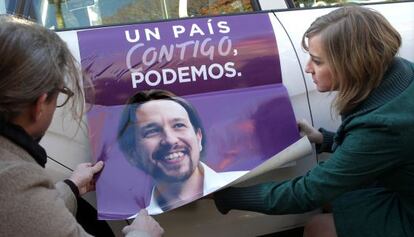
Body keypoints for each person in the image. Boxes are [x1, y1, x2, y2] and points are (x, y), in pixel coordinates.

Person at [212, 5, 414, 237]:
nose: (308, 68)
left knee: (319, 228)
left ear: (352, 64)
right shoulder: (401, 71)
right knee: (338, 197)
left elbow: (309, 192)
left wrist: (225, 196)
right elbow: (377, 151)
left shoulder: (385, 127)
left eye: (317, 61)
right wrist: (323, 139)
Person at [0, 15, 163, 237]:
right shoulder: (14, 178)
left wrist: (72, 186)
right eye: (60, 94)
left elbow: (24, 217)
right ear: (40, 104)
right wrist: (143, 234)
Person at [118, 89, 247, 215]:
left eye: (179, 125)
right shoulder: (129, 219)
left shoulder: (248, 183)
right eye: (152, 131)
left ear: (199, 138)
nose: (170, 140)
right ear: (132, 155)